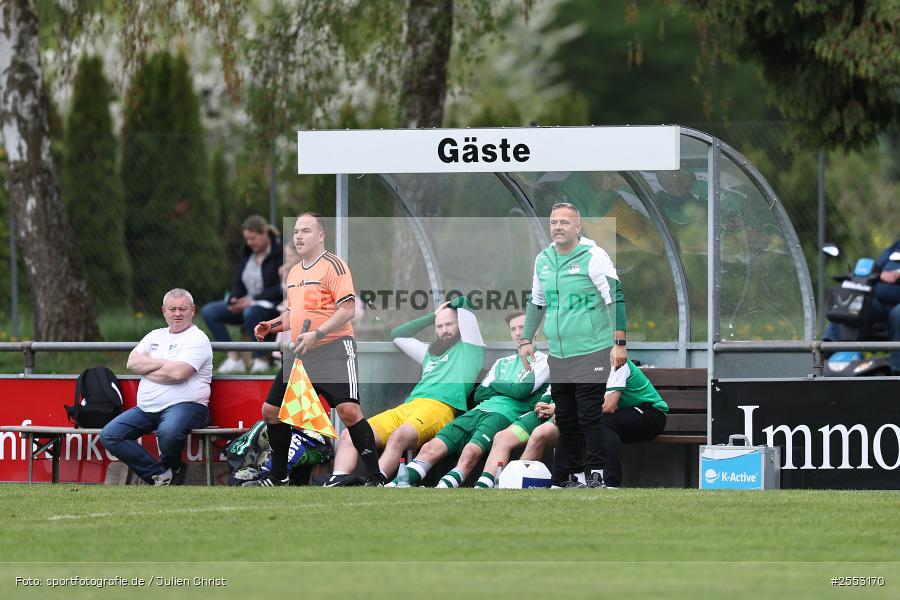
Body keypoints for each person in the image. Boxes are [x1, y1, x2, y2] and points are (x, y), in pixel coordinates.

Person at [242, 212, 383, 486]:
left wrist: (317, 333)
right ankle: (278, 476)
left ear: (321, 235)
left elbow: (348, 309)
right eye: (296, 231)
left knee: (349, 412)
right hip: (301, 353)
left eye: (305, 231)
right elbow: (293, 315)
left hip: (334, 349)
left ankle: (376, 478)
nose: (298, 236)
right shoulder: (294, 272)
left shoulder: (334, 266)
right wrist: (270, 326)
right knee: (271, 411)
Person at [518, 202, 627, 488]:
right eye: (554, 222)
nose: (558, 227)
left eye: (564, 222)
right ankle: (576, 476)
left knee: (589, 414)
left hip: (592, 348)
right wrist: (526, 339)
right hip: (559, 353)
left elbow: (615, 297)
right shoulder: (543, 259)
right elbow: (537, 301)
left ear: (577, 227)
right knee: (565, 417)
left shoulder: (593, 255)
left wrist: (619, 343)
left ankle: (598, 475)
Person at [326, 296, 485, 486]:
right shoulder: (430, 352)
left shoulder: (471, 347)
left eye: (449, 324)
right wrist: (433, 316)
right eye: (439, 326)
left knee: (399, 436)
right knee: (350, 434)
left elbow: (464, 303)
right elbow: (399, 334)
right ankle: (336, 481)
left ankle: (374, 482)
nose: (444, 330)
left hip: (440, 407)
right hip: (410, 405)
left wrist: (450, 306)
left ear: (460, 324)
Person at [389, 310, 548, 488]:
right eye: (513, 329)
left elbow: (521, 390)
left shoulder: (544, 361)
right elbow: (480, 393)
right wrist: (507, 387)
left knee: (470, 452)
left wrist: (495, 384)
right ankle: (397, 484)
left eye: (523, 328)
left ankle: (445, 488)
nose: (518, 333)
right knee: (430, 447)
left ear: (534, 330)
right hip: (477, 410)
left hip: (503, 415)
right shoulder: (502, 362)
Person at [100, 289, 212, 485]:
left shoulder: (198, 338)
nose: (177, 314)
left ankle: (175, 467)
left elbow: (178, 374)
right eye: (173, 309)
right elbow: (132, 363)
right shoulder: (154, 336)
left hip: (188, 405)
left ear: (193, 310)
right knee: (110, 435)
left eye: (183, 309)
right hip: (147, 408)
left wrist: (148, 368)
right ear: (164, 311)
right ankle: (160, 474)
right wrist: (166, 365)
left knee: (167, 432)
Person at [202, 215, 284, 374]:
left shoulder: (281, 252)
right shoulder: (248, 253)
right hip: (247, 305)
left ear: (265, 233)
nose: (250, 243)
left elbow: (280, 288)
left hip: (272, 307)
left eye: (253, 238)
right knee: (209, 311)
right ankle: (233, 358)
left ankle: (261, 359)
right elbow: (239, 283)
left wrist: (252, 301)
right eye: (247, 239)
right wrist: (234, 299)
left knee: (251, 311)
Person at [824, 238, 900, 374]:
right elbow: (878, 265)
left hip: (896, 308)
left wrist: (896, 274)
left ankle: (896, 370)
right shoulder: (896, 246)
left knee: (898, 313)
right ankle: (826, 352)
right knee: (851, 302)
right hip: (881, 306)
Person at [597, 359, 668, 488]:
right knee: (586, 422)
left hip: (651, 414)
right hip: (626, 418)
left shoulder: (617, 361)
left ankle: (611, 484)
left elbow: (608, 406)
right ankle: (572, 478)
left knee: (602, 420)